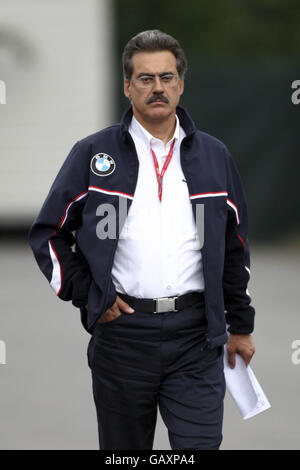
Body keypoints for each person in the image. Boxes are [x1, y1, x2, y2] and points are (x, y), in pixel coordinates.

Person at [28, 30, 255, 450]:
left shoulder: (213, 156)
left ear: (181, 84)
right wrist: (89, 293)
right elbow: (49, 234)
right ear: (128, 86)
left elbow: (234, 245)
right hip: (123, 337)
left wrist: (239, 325)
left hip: (197, 337)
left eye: (167, 77)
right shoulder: (94, 155)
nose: (157, 88)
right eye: (146, 79)